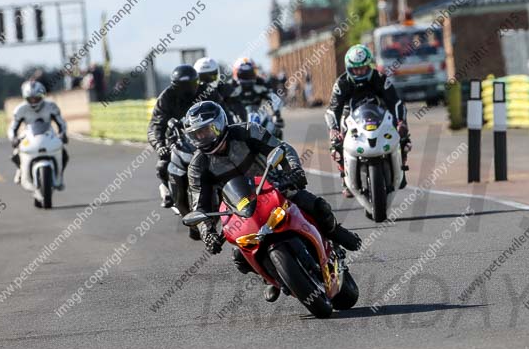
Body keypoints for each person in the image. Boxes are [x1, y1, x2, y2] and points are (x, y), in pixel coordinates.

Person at [185, 101, 361, 302]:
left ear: (219, 123)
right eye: (197, 134)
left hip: (272, 186)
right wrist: (208, 233)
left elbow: (280, 148)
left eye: (206, 131)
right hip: (239, 207)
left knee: (316, 205)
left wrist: (294, 171)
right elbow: (199, 205)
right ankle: (268, 278)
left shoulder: (247, 131)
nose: (202, 137)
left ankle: (335, 232)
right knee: (239, 258)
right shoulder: (197, 166)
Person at [325, 44, 410, 198]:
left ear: (369, 66)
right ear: (349, 68)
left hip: (379, 115)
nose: (360, 72)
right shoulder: (342, 83)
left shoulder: (380, 79)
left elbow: (395, 102)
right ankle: (345, 176)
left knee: (403, 135)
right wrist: (334, 129)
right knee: (335, 144)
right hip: (351, 117)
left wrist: (401, 122)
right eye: (356, 69)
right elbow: (332, 109)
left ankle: (401, 166)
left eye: (363, 68)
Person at [147, 65, 227, 211]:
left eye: (191, 85)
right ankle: (169, 191)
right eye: (183, 86)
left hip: (208, 135)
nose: (188, 89)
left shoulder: (208, 92)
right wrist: (160, 146)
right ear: (174, 86)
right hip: (177, 139)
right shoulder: (166, 97)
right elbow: (155, 126)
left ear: (197, 82)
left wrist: (229, 130)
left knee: (231, 154)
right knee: (163, 165)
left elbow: (223, 112)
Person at [9, 81, 69, 187]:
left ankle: (59, 176)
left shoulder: (51, 106)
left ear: (42, 96)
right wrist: (13, 138)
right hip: (28, 134)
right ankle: (20, 169)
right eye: (30, 99)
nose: (33, 101)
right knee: (15, 153)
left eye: (36, 98)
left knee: (64, 153)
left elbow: (61, 123)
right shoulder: (20, 109)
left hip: (48, 133)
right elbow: (13, 128)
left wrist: (63, 134)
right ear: (25, 98)